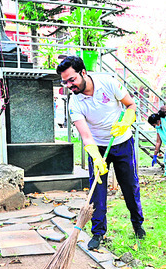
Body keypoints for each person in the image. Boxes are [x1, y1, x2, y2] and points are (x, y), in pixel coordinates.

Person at [56, 56, 144, 250]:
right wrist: (96, 157)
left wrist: (126, 122)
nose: (70, 85)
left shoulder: (108, 82)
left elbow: (131, 105)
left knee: (130, 186)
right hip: (97, 146)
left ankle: (138, 225)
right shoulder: (74, 103)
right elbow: (86, 136)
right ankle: (98, 233)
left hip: (122, 142)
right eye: (65, 82)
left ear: (83, 72)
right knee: (97, 191)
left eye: (72, 79)